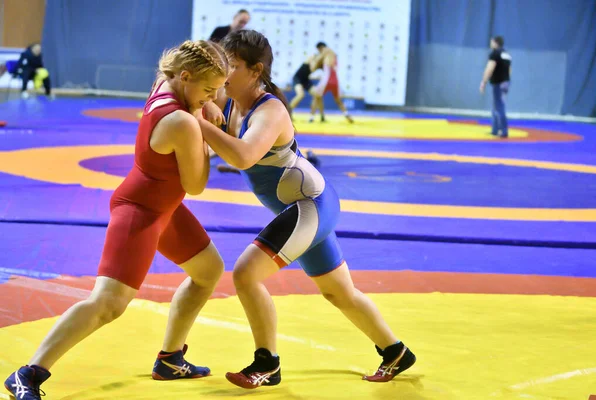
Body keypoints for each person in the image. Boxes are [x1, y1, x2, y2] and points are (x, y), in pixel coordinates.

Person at [3, 40, 229, 400]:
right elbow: (197, 185)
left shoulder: (165, 83)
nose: (213, 98)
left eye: (218, 91)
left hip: (162, 208)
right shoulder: (183, 121)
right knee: (108, 304)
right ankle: (27, 374)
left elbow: (182, 85)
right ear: (185, 77)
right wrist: (208, 133)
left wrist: (203, 105)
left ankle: (170, 359)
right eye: (209, 90)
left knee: (208, 271)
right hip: (139, 212)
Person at [197, 29, 416, 390]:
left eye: (232, 66)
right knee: (339, 293)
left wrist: (201, 122)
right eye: (224, 64)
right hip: (303, 207)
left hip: (310, 205)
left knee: (245, 274)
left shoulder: (270, 111)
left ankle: (266, 364)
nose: (224, 72)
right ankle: (395, 352)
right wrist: (205, 105)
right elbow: (204, 96)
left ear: (256, 70)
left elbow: (242, 156)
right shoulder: (229, 98)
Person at [308, 42, 354, 123]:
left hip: (327, 80)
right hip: (335, 80)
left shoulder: (326, 50)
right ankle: (346, 114)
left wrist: (313, 60)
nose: (319, 52)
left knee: (316, 96)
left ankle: (311, 117)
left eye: (319, 50)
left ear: (321, 48)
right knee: (338, 100)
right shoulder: (333, 55)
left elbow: (315, 65)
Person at [480, 35, 512, 138]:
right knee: (497, 105)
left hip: (498, 83)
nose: (490, 44)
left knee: (499, 106)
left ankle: (504, 130)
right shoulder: (507, 54)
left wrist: (483, 82)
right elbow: (509, 70)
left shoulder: (495, 53)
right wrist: (506, 80)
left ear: (495, 42)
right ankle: (495, 129)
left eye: (491, 42)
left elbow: (489, 68)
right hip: (505, 82)